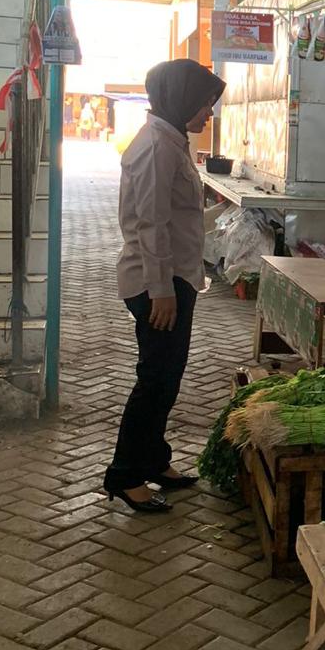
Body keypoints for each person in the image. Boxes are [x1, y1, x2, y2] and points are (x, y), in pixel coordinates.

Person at [104, 58, 226, 513]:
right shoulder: (158, 146)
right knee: (155, 380)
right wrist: (161, 291)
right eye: (204, 103)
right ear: (181, 99)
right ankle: (125, 475)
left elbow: (176, 216)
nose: (209, 113)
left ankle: (154, 459)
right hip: (159, 283)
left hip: (174, 277)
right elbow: (150, 224)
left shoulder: (170, 140)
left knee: (167, 377)